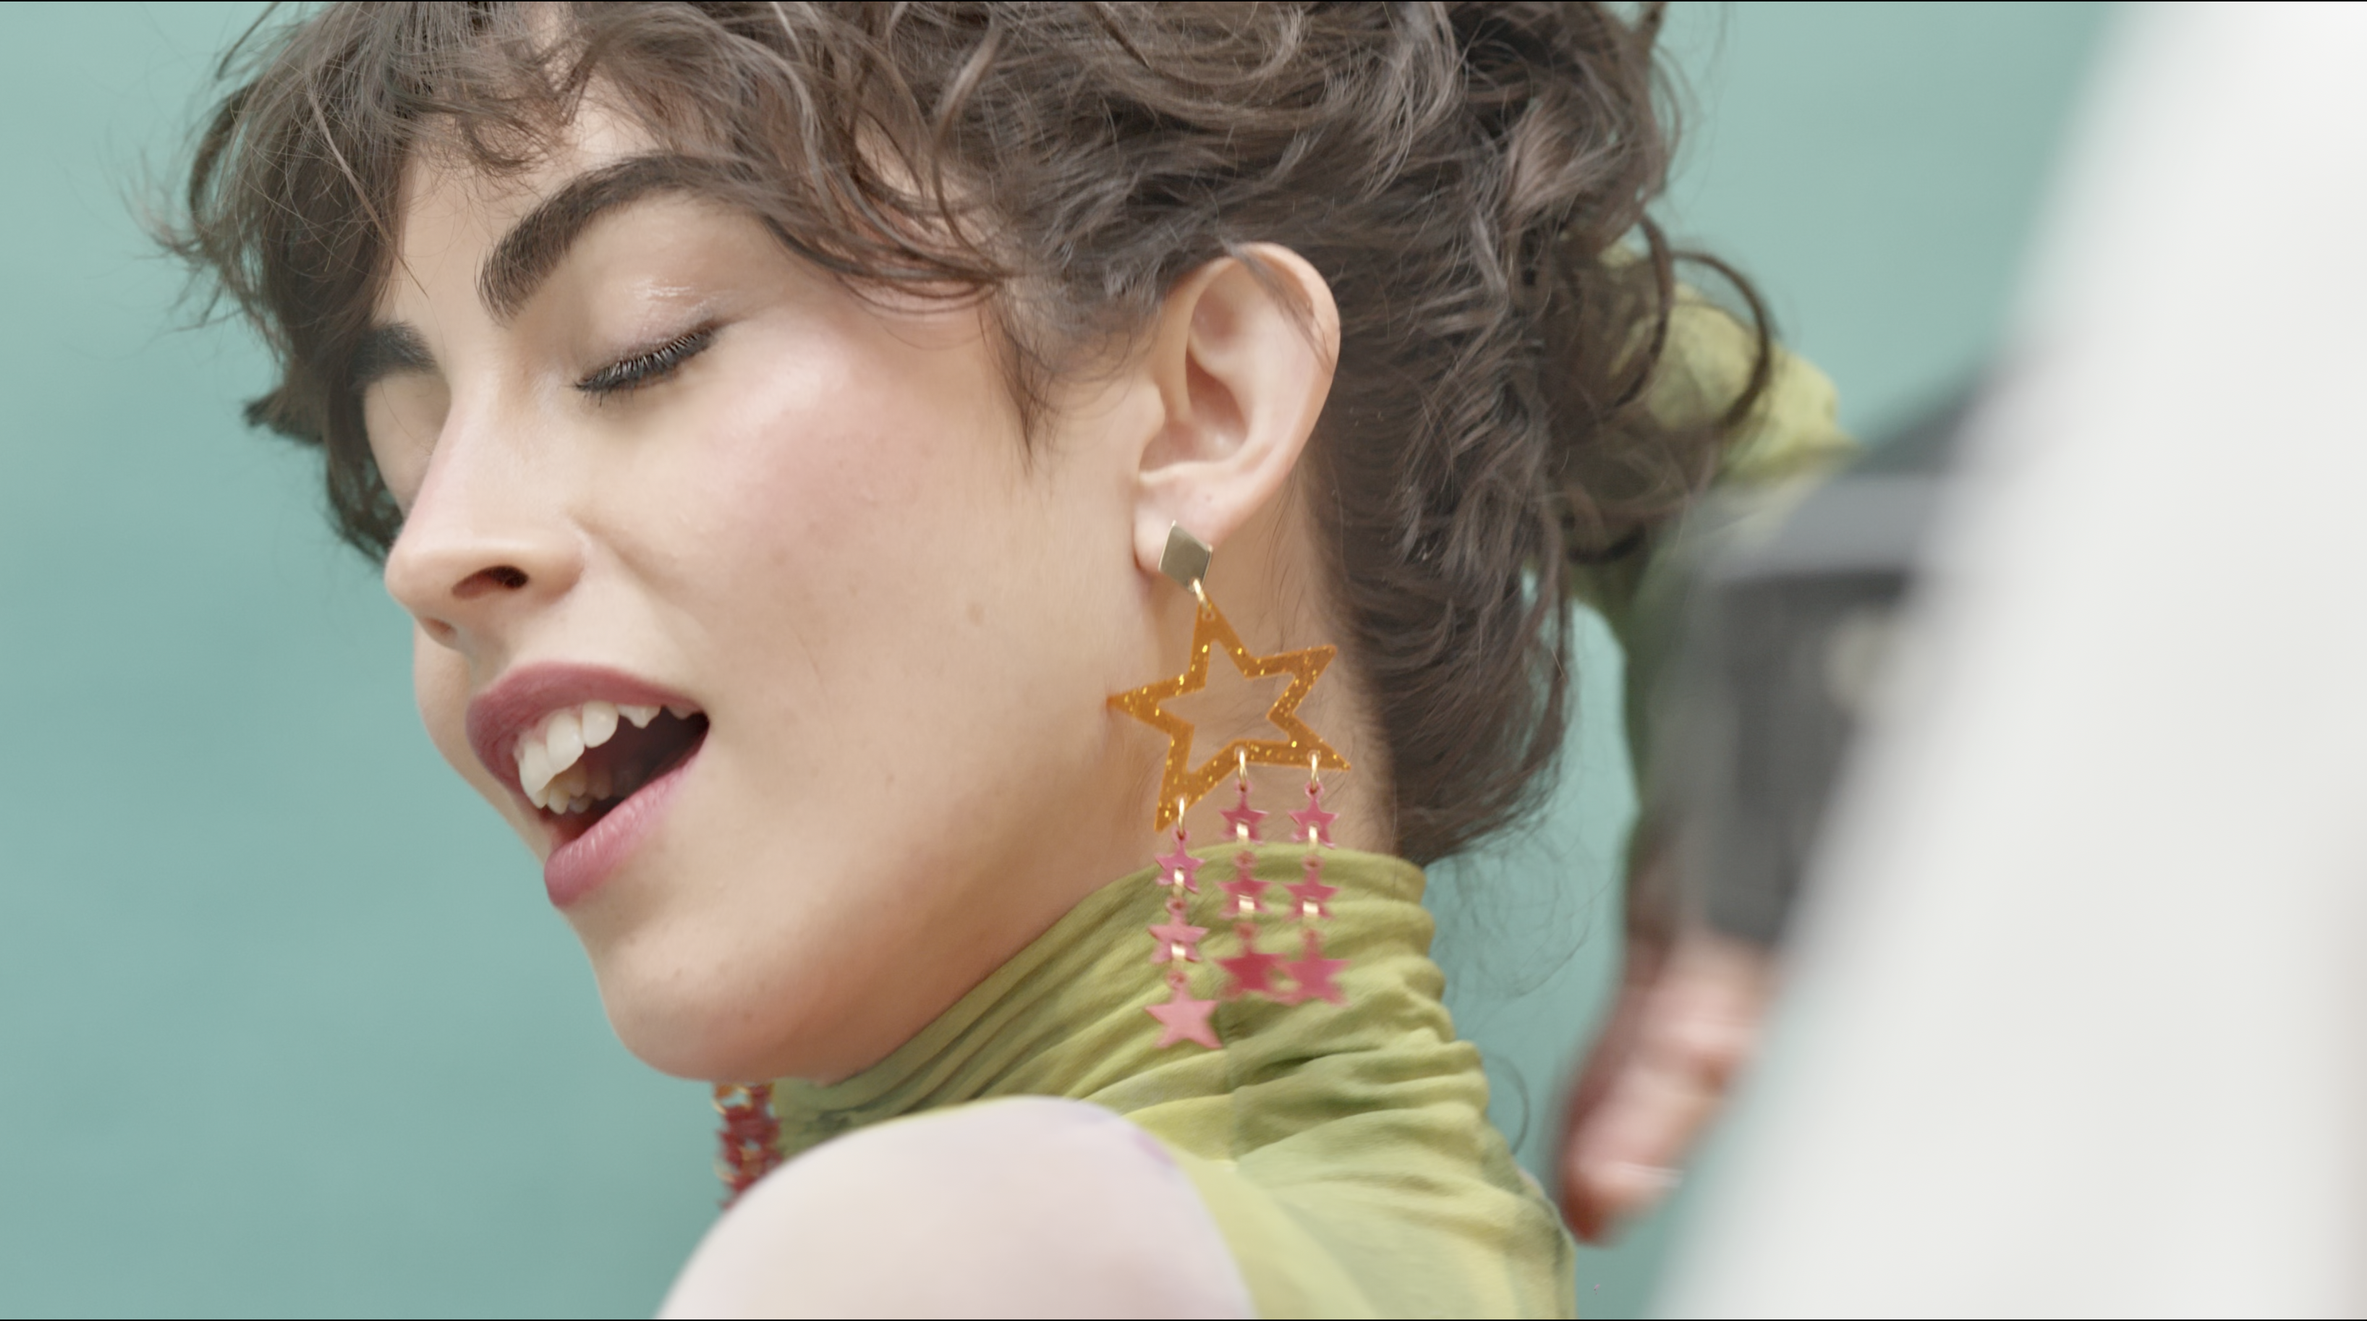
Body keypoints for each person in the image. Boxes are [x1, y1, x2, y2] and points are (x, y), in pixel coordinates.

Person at [163, 3, 1845, 1314]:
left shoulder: (937, 1275)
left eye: (641, 346)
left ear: (1207, 404)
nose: (430, 551)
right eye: (403, 453)